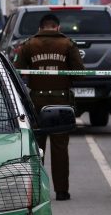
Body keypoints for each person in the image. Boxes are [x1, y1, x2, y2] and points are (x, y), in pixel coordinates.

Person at [14, 13, 85, 201]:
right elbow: (79, 74)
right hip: (61, 100)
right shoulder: (68, 44)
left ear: (40, 27)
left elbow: (17, 70)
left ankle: (37, 190)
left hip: (37, 100)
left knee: (37, 147)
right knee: (60, 147)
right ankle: (62, 191)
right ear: (58, 27)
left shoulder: (29, 45)